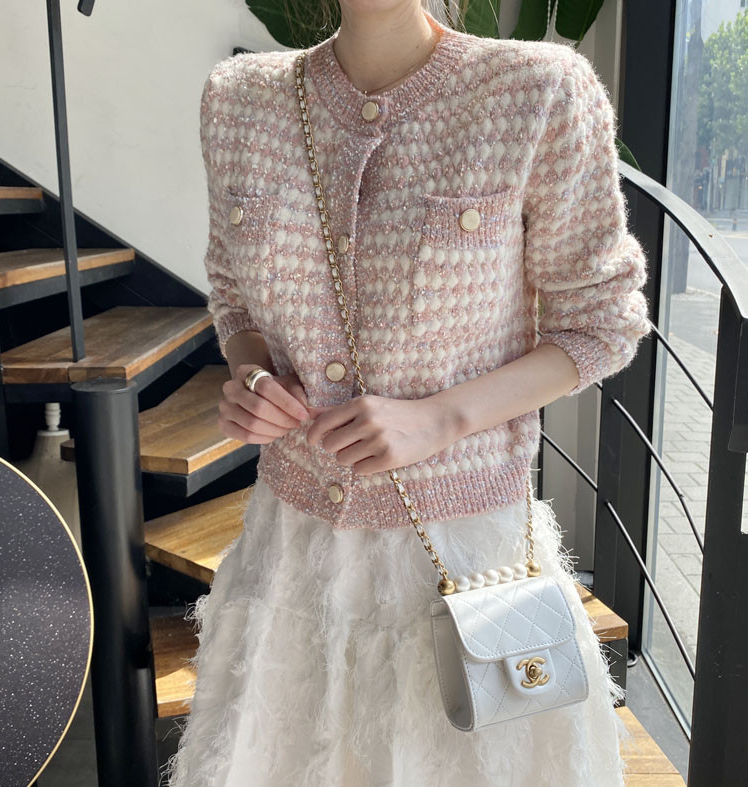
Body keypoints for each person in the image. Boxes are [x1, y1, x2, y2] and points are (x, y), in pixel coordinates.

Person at [162, 1, 651, 785]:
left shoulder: (536, 92)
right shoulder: (239, 100)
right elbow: (234, 297)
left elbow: (602, 323)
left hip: (465, 563)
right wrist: (252, 377)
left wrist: (440, 419)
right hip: (292, 560)